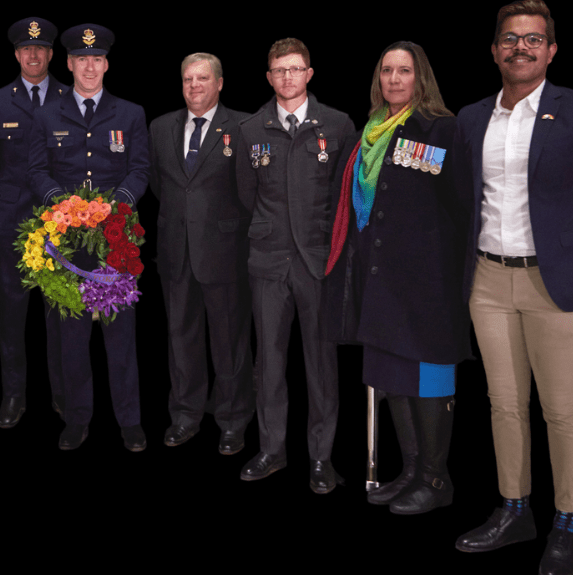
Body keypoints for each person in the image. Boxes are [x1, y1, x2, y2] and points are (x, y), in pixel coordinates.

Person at [453, 0, 573, 575]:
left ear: (550, 50)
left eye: (532, 38)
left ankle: (567, 523)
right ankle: (515, 510)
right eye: (508, 38)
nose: (519, 47)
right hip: (488, 281)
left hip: (554, 284)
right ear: (495, 50)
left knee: (563, 413)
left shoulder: (569, 110)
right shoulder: (473, 117)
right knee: (504, 406)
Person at [325, 41, 469, 514]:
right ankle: (410, 472)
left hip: (426, 286)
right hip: (379, 281)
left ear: (420, 77)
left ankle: (435, 478)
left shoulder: (439, 129)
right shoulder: (367, 133)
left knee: (427, 379)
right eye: (386, 70)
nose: (394, 79)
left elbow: (461, 206)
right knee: (393, 378)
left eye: (404, 71)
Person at [236, 38, 354, 491]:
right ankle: (271, 450)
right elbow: (247, 196)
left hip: (318, 262)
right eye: (279, 70)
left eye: (295, 68)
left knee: (322, 364)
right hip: (268, 262)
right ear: (269, 78)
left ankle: (321, 459)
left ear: (310, 73)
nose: (287, 77)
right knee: (269, 360)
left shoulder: (339, 125)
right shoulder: (251, 130)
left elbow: (343, 198)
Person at [28, 23, 150, 451]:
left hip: (115, 237)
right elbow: (36, 171)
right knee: (71, 336)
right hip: (67, 243)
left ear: (107, 63)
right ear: (70, 64)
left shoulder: (130, 112)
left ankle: (130, 420)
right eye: (82, 59)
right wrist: (63, 205)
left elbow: (140, 169)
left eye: (97, 59)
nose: (90, 66)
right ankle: (77, 419)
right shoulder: (46, 114)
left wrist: (117, 204)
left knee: (120, 333)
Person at [149, 53, 253, 454]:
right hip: (175, 253)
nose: (194, 86)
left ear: (220, 83)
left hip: (224, 253)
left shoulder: (241, 127)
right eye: (188, 79)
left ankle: (231, 420)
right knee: (181, 339)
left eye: (203, 78)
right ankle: (185, 416)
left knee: (229, 343)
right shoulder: (161, 127)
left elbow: (247, 191)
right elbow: (162, 185)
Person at [0, 18, 66, 429]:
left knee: (61, 312)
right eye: (25, 49)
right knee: (12, 312)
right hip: (11, 221)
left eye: (41, 49)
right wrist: (13, 199)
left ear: (51, 55)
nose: (33, 55)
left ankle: (63, 392)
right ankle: (14, 394)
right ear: (16, 55)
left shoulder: (71, 99)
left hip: (62, 225)